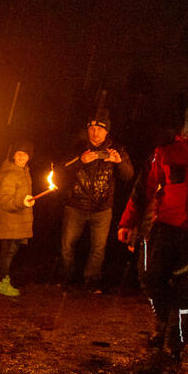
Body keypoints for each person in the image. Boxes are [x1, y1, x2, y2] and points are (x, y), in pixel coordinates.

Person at [117, 104, 188, 360]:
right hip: (165, 229)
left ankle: (176, 343)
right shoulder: (164, 153)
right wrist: (127, 222)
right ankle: (162, 323)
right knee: (153, 278)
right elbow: (143, 189)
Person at [59, 111, 133, 292]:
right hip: (76, 205)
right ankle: (68, 278)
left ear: (107, 132)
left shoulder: (116, 150)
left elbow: (129, 175)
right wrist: (80, 160)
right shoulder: (78, 147)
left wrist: (119, 162)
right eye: (92, 129)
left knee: (98, 248)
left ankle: (91, 281)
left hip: (102, 209)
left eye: (99, 129)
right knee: (67, 244)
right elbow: (61, 170)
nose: (95, 133)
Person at [0, 142, 36, 297]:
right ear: (13, 155)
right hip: (9, 222)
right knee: (8, 253)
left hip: (17, 222)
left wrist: (25, 201)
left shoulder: (24, 172)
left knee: (9, 252)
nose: (22, 156)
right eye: (18, 153)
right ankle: (2, 284)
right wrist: (22, 202)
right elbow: (5, 201)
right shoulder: (10, 174)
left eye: (25, 153)